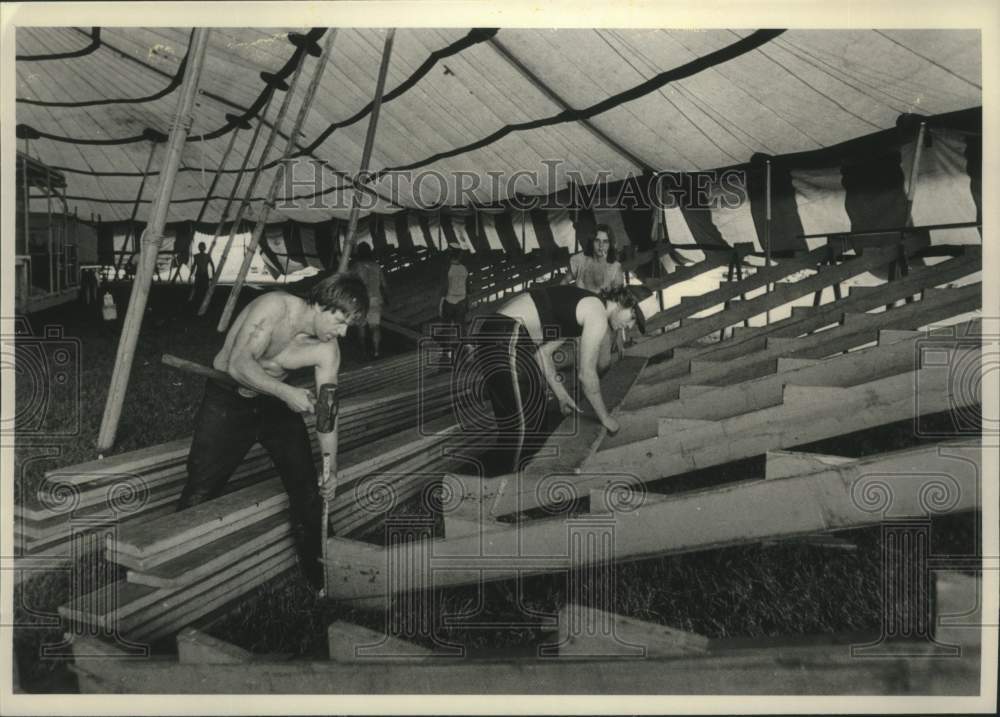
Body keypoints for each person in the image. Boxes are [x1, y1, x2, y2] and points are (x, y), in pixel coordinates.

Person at [176, 273, 369, 592]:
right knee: (201, 486)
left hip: (275, 403)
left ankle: (323, 579)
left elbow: (327, 414)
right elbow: (239, 365)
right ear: (323, 305)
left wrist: (330, 467)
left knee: (307, 488)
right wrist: (285, 393)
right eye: (340, 321)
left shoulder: (327, 350)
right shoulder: (274, 308)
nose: (343, 332)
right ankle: (174, 566)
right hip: (228, 398)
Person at [455, 283, 646, 473]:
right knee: (521, 427)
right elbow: (587, 375)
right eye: (632, 318)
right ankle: (502, 488)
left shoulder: (584, 307)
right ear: (624, 302)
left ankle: (521, 479)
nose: (628, 327)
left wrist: (562, 396)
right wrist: (605, 418)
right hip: (504, 335)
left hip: (510, 338)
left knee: (537, 419)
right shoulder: (597, 312)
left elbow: (542, 355)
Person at [350, 242, 389, 358]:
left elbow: (349, 283)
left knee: (361, 326)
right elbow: (384, 285)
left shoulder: (356, 267)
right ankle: (376, 351)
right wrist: (387, 298)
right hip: (376, 299)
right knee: (375, 327)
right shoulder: (376, 266)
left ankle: (364, 352)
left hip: (361, 299)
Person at [564, 223, 625, 293]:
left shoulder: (615, 267)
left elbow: (618, 295)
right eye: (597, 240)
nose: (601, 246)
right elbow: (564, 282)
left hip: (603, 303)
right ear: (592, 241)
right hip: (581, 302)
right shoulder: (579, 260)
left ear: (610, 244)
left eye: (605, 242)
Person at [438, 248, 470, 357]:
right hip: (461, 301)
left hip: (449, 301)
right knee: (461, 327)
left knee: (446, 327)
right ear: (459, 257)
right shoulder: (464, 269)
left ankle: (447, 353)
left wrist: (441, 304)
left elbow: (445, 288)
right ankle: (463, 352)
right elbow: (468, 287)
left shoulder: (448, 269)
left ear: (450, 256)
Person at [189, 242, 215, 308]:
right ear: (199, 248)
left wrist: (213, 274)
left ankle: (205, 301)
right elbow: (194, 266)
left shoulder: (207, 256)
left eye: (202, 247)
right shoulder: (197, 256)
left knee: (205, 288)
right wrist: (190, 275)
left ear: (204, 248)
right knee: (196, 288)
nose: (201, 248)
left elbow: (212, 265)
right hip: (199, 275)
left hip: (204, 275)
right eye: (200, 247)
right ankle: (192, 300)